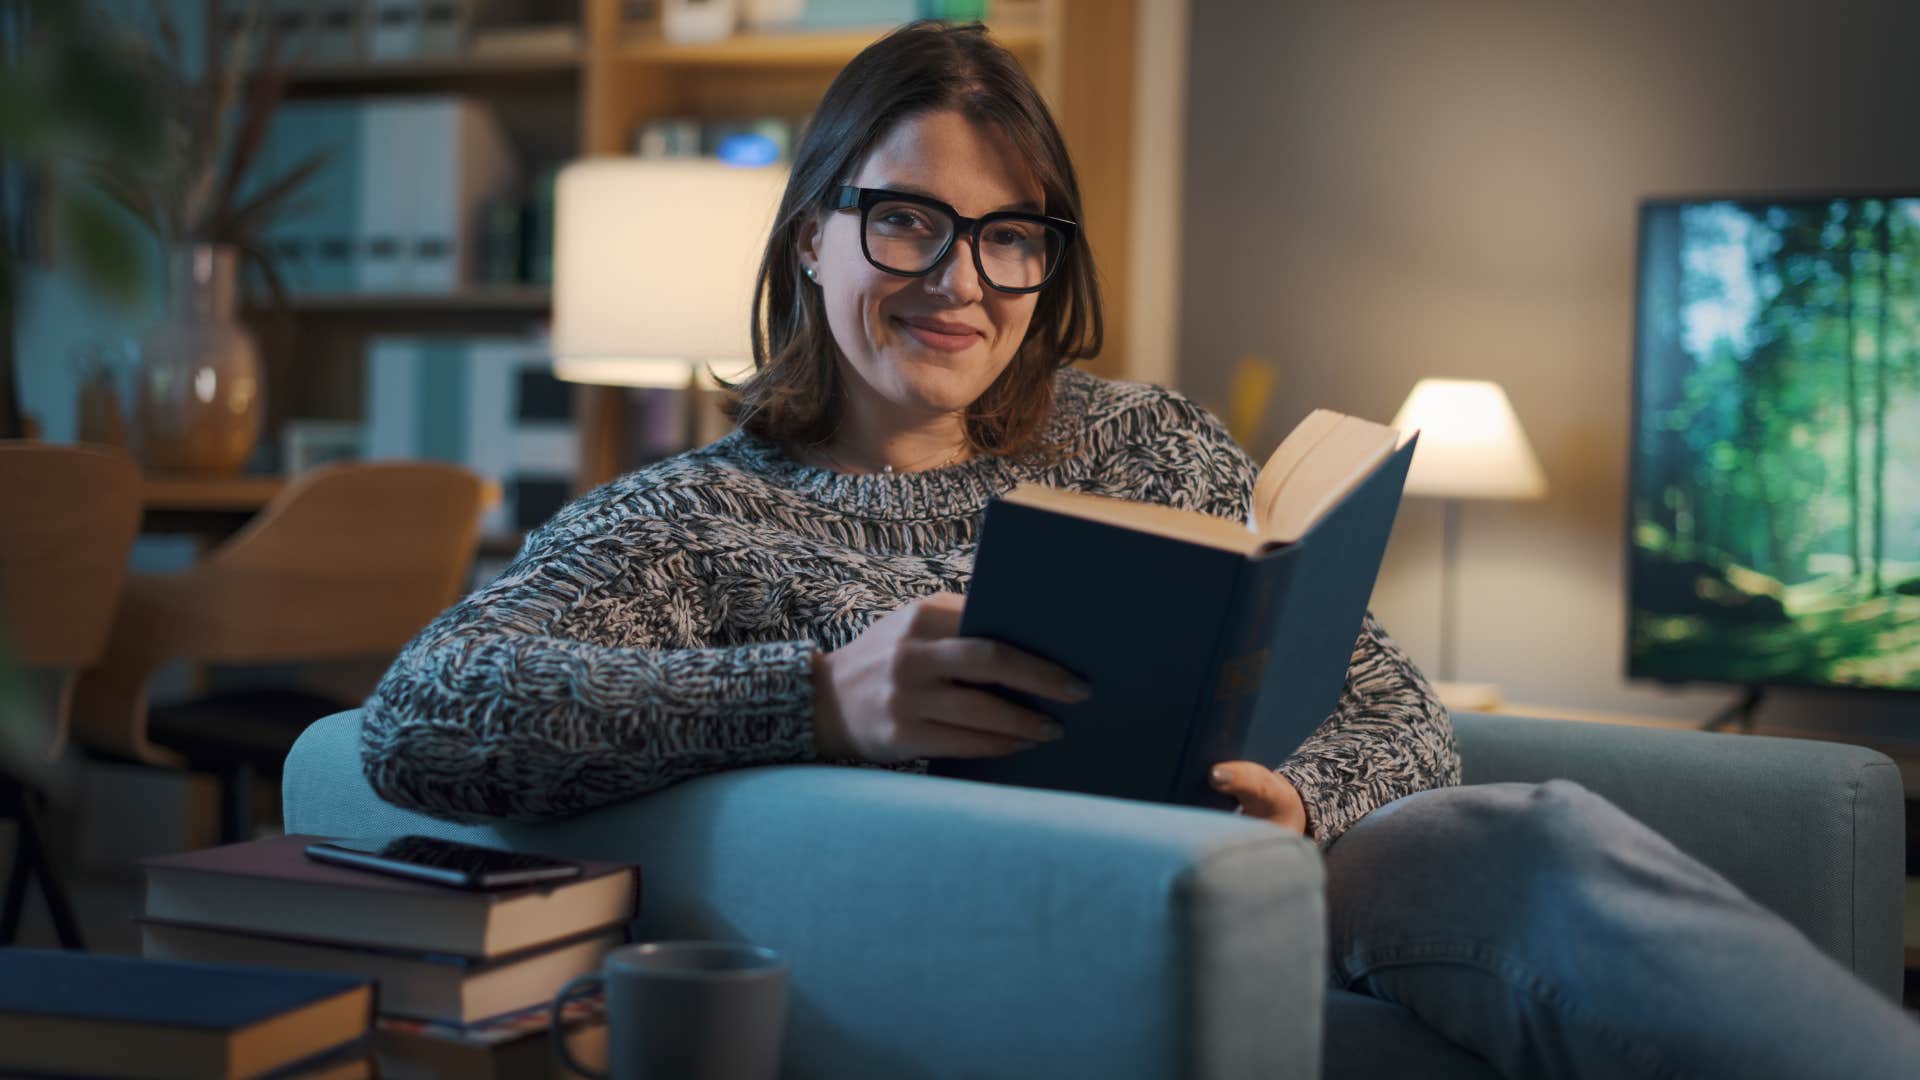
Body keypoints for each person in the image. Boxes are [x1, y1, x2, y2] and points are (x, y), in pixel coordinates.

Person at [362, 21, 1920, 1079]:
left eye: (1011, 239)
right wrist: (817, 698)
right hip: (1033, 942)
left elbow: (1398, 712)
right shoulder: (696, 517)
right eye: (906, 222)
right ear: (813, 234)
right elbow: (423, 714)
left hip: (1286, 892)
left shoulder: (1140, 443)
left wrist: (1299, 799)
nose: (960, 282)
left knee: (1539, 842)